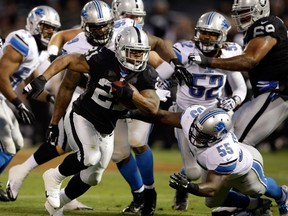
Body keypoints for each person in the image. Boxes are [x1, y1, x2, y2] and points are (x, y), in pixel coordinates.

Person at [23, 25, 161, 216]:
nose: (136, 58)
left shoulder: (146, 74)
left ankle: (55, 206)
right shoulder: (103, 59)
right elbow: (68, 59)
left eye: (140, 53)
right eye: (132, 52)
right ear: (120, 50)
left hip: (107, 127)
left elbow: (152, 108)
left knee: (93, 177)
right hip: (83, 116)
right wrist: (42, 78)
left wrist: (132, 95)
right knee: (90, 156)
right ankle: (53, 176)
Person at [6, 0, 114, 211]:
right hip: (76, 94)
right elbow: (65, 79)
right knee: (78, 145)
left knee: (88, 165)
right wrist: (54, 53)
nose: (101, 30)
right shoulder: (77, 43)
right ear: (85, 26)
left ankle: (26, 173)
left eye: (104, 25)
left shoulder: (119, 33)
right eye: (95, 26)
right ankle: (51, 187)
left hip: (102, 103)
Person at [188, 1, 288, 214]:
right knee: (223, 141)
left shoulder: (267, 25)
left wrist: (209, 62)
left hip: (277, 94)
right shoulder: (254, 31)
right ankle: (254, 204)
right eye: (238, 13)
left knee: (232, 149)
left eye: (244, 13)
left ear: (260, 9)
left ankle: (269, 199)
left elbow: (250, 60)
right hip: (264, 95)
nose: (239, 17)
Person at [155, 11, 247, 211]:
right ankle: (183, 185)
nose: (206, 37)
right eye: (204, 32)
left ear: (222, 35)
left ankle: (241, 202)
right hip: (184, 116)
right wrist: (158, 89)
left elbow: (240, 87)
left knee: (220, 166)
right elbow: (160, 75)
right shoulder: (183, 50)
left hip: (215, 118)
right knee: (193, 172)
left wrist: (234, 100)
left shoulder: (230, 52)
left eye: (212, 34)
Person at [126, 105, 288, 216]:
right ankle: (256, 205)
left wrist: (189, 187)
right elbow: (162, 116)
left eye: (202, 134)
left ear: (217, 136)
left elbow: (211, 187)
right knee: (211, 203)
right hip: (214, 168)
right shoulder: (195, 119)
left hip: (247, 167)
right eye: (197, 128)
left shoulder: (224, 152)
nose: (195, 134)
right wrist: (132, 113)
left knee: (258, 188)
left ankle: (282, 195)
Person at [0, 5, 58, 201]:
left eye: (53, 28)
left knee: (16, 143)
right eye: (46, 26)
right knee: (8, 145)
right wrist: (18, 103)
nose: (50, 31)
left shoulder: (38, 51)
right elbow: (1, 77)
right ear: (34, 24)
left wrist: (51, 98)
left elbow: (32, 85)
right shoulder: (23, 41)